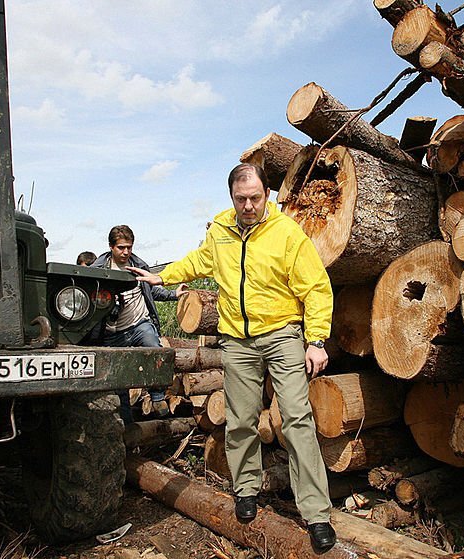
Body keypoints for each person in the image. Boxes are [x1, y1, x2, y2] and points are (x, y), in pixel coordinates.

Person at [129, 163, 337, 552]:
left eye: (255, 198)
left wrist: (317, 340)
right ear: (231, 197)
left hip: (282, 334)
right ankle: (246, 489)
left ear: (267, 195)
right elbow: (199, 261)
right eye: (241, 199)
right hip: (237, 341)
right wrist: (164, 276)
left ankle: (316, 513)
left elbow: (317, 288)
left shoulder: (287, 233)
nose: (248, 206)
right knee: (241, 418)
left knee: (295, 419)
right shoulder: (221, 230)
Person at [91, 225, 186, 423]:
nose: (126, 252)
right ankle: (127, 424)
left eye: (129, 247)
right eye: (121, 248)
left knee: (153, 348)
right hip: (112, 333)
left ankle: (158, 397)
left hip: (138, 324)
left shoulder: (139, 266)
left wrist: (174, 294)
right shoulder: (98, 271)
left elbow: (153, 291)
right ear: (111, 247)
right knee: (119, 381)